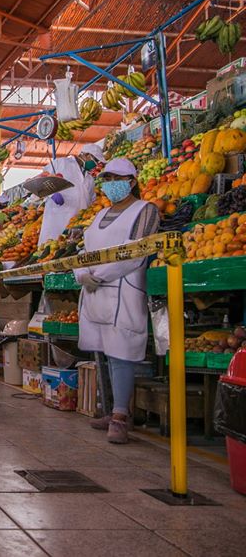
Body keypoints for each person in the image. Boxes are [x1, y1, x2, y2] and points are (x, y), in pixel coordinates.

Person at [74, 158, 159, 444]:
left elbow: (137, 253)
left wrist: (102, 274)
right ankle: (112, 410)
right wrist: (83, 273)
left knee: (122, 353)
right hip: (96, 292)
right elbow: (84, 250)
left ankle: (121, 416)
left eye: (116, 178)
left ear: (132, 181)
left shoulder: (145, 211)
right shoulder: (99, 216)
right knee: (105, 352)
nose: (110, 184)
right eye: (106, 179)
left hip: (125, 287)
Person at [38, 143, 105, 246]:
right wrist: (52, 194)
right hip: (56, 221)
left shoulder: (90, 179)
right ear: (86, 155)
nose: (96, 165)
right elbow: (41, 181)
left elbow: (92, 201)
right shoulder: (61, 163)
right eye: (95, 161)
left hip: (77, 227)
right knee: (50, 249)